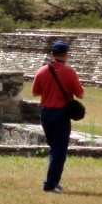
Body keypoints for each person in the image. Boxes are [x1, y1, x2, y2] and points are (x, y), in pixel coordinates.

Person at [31, 40, 84, 193]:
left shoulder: (42, 71)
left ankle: (54, 180)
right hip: (61, 113)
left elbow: (35, 92)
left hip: (46, 112)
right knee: (59, 150)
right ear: (66, 54)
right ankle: (50, 184)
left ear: (52, 54)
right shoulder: (69, 72)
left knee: (54, 148)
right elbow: (80, 94)